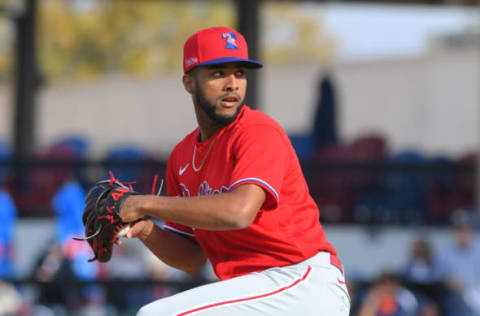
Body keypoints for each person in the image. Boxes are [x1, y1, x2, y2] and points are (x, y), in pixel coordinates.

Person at [116, 26, 350, 316]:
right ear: (189, 82)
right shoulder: (181, 156)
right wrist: (145, 230)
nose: (232, 84)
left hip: (299, 282)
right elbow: (191, 258)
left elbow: (238, 212)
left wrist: (142, 202)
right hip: (255, 289)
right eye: (218, 73)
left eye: (239, 73)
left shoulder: (258, 131)